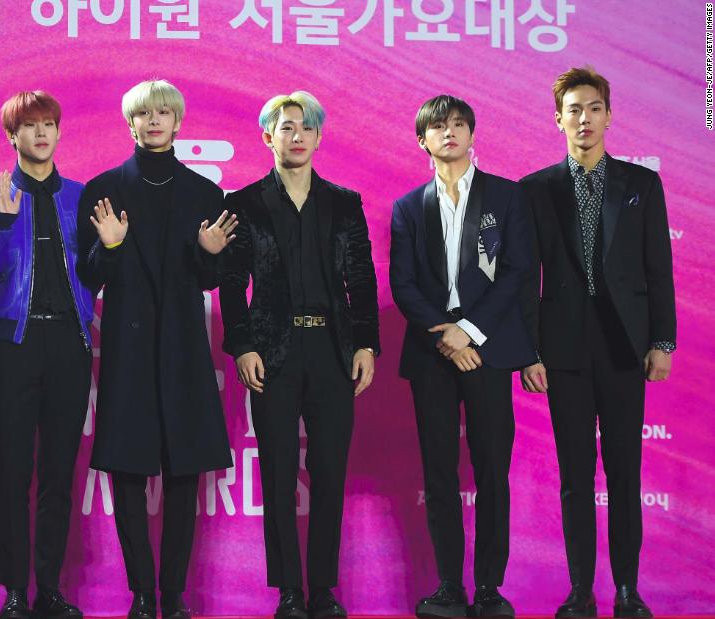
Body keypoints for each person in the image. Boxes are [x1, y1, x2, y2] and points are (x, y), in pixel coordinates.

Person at [76, 79, 235, 619]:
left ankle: (174, 595)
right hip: (128, 350)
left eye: (163, 112)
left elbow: (212, 280)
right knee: (127, 472)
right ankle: (142, 594)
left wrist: (209, 253)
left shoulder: (206, 194)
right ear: (130, 123)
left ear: (178, 122)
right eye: (144, 114)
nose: (154, 121)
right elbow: (90, 276)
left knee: (183, 474)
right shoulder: (104, 191)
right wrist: (110, 246)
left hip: (185, 351)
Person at [519, 67, 675, 619]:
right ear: (557, 119)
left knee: (625, 471)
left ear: (608, 115)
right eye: (573, 110)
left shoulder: (641, 185)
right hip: (562, 349)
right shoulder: (536, 189)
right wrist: (529, 352)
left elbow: (659, 269)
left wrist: (662, 341)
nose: (583, 119)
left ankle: (628, 590)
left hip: (623, 346)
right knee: (575, 476)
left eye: (593, 108)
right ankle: (579, 590)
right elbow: (525, 277)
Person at [219, 91, 379, 619]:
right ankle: (289, 590)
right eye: (287, 127)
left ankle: (324, 589)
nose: (298, 135)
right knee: (279, 472)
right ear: (268, 136)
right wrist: (242, 345)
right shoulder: (243, 204)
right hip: (273, 353)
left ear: (319, 136)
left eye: (307, 127)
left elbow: (361, 279)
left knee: (329, 471)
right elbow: (231, 282)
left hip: (333, 351)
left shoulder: (344, 203)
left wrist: (366, 345)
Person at [389, 95, 534, 619]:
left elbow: (518, 271)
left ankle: (489, 588)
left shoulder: (507, 197)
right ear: (422, 141)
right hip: (433, 355)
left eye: (457, 124)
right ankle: (449, 586)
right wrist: (445, 336)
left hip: (487, 351)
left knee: (493, 470)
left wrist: (468, 333)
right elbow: (403, 284)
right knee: (439, 473)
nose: (448, 132)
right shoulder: (409, 207)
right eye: (438, 127)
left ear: (472, 134)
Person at [0, 91, 94, 619]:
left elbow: (97, 271)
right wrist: (1, 221)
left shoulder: (82, 197)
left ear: (59, 132)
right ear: (11, 135)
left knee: (59, 475)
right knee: (13, 473)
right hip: (14, 345)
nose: (40, 133)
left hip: (69, 344)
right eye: (29, 125)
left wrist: (111, 246)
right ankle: (15, 591)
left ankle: (50, 589)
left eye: (48, 124)